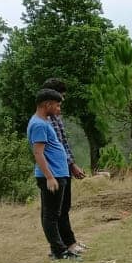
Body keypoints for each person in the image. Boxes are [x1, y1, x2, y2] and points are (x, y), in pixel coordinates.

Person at [28, 89, 80, 260]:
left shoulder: (45, 122)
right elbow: (38, 153)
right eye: (57, 105)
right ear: (47, 104)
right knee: (51, 215)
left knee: (55, 213)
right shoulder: (39, 124)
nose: (59, 109)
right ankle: (59, 251)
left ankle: (62, 248)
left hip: (59, 173)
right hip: (53, 175)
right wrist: (49, 177)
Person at [40, 79, 87, 252]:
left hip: (62, 167)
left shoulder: (56, 116)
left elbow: (64, 143)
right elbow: (50, 147)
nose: (63, 102)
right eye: (61, 97)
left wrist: (71, 164)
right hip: (54, 169)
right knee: (53, 211)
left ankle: (69, 242)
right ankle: (59, 247)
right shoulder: (43, 120)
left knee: (63, 207)